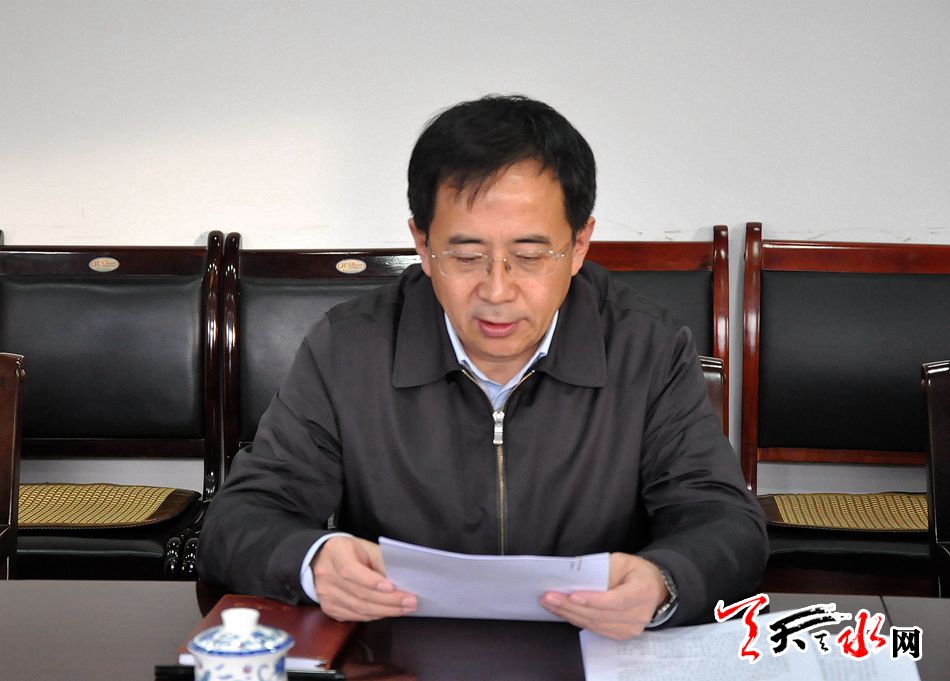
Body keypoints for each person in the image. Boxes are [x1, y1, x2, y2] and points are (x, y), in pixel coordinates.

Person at [198, 94, 767, 640]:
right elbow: (239, 517)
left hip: (591, 648)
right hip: (398, 650)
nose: (497, 291)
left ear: (580, 245)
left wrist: (663, 582)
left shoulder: (647, 349)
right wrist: (314, 560)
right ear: (422, 244)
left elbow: (723, 521)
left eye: (530, 256)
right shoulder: (348, 348)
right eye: (467, 256)